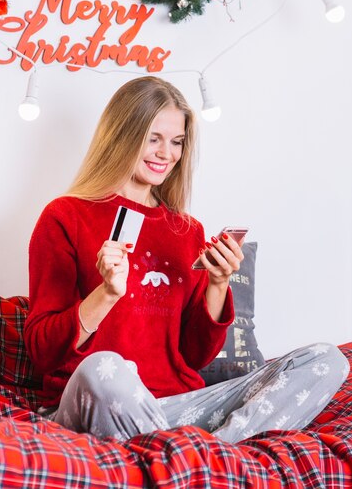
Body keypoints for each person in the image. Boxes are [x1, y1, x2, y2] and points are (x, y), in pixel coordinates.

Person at [25, 76, 349, 443]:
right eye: (153, 138)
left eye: (177, 141)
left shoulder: (187, 230)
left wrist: (218, 282)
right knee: (103, 369)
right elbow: (42, 351)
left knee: (326, 361)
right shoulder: (65, 216)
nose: (167, 154)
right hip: (100, 401)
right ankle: (194, 456)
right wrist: (106, 294)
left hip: (179, 407)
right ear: (121, 134)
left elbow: (195, 357)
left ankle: (213, 455)